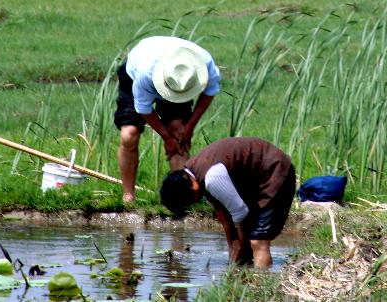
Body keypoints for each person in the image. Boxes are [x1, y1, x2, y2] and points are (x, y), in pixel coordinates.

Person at [159, 137, 296, 269]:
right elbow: (224, 216)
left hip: (275, 171)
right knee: (247, 242)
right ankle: (246, 273)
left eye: (190, 201)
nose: (195, 202)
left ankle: (262, 286)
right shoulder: (192, 173)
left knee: (258, 239)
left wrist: (241, 246)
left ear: (191, 189)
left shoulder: (212, 178)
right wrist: (233, 247)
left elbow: (241, 213)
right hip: (256, 178)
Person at [115, 36, 221, 203]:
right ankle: (128, 195)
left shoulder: (204, 64)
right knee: (129, 134)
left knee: (178, 131)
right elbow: (143, 108)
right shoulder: (144, 73)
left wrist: (190, 127)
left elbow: (210, 91)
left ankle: (182, 197)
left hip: (178, 81)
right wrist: (166, 137)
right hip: (134, 75)